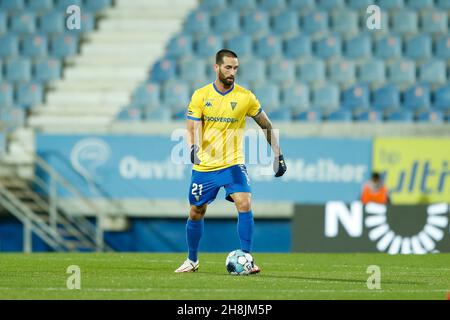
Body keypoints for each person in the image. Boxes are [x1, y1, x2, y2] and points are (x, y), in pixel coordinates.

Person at [175, 49, 287, 273]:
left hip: (233, 163)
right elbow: (191, 126)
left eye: (235, 68)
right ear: (216, 67)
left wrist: (278, 154)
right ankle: (192, 260)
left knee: (244, 202)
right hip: (205, 166)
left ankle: (247, 257)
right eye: (228, 67)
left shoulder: (246, 97)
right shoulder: (201, 95)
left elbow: (266, 125)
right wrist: (192, 147)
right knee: (196, 210)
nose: (232, 72)